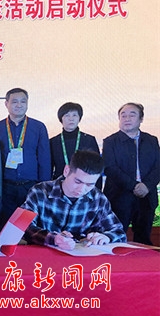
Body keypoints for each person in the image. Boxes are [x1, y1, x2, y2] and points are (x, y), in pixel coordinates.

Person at [22, 150, 126, 250]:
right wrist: (54, 239)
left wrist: (106, 237)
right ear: (66, 171)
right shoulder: (40, 192)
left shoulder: (98, 198)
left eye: (89, 184)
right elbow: (23, 226)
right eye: (78, 181)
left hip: (82, 256)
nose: (81, 189)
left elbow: (119, 232)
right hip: (44, 255)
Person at [0, 88, 51, 219]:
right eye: (14, 101)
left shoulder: (38, 127)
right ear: (6, 104)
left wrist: (44, 187)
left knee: (29, 223)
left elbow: (44, 159)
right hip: (5, 186)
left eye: (23, 101)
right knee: (6, 223)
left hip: (31, 186)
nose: (19, 105)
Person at [103, 103, 160, 245]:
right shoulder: (110, 141)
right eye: (123, 115)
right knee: (116, 239)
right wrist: (134, 186)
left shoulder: (151, 140)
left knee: (144, 240)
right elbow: (110, 168)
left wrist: (146, 186)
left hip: (147, 196)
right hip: (119, 197)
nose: (127, 118)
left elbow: (158, 166)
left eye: (132, 115)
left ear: (141, 119)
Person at [49, 102, 100, 182]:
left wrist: (96, 187)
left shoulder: (89, 140)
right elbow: (49, 167)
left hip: (84, 184)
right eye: (67, 115)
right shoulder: (53, 142)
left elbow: (97, 166)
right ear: (61, 119)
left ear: (79, 118)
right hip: (59, 183)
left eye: (74, 115)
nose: (71, 118)